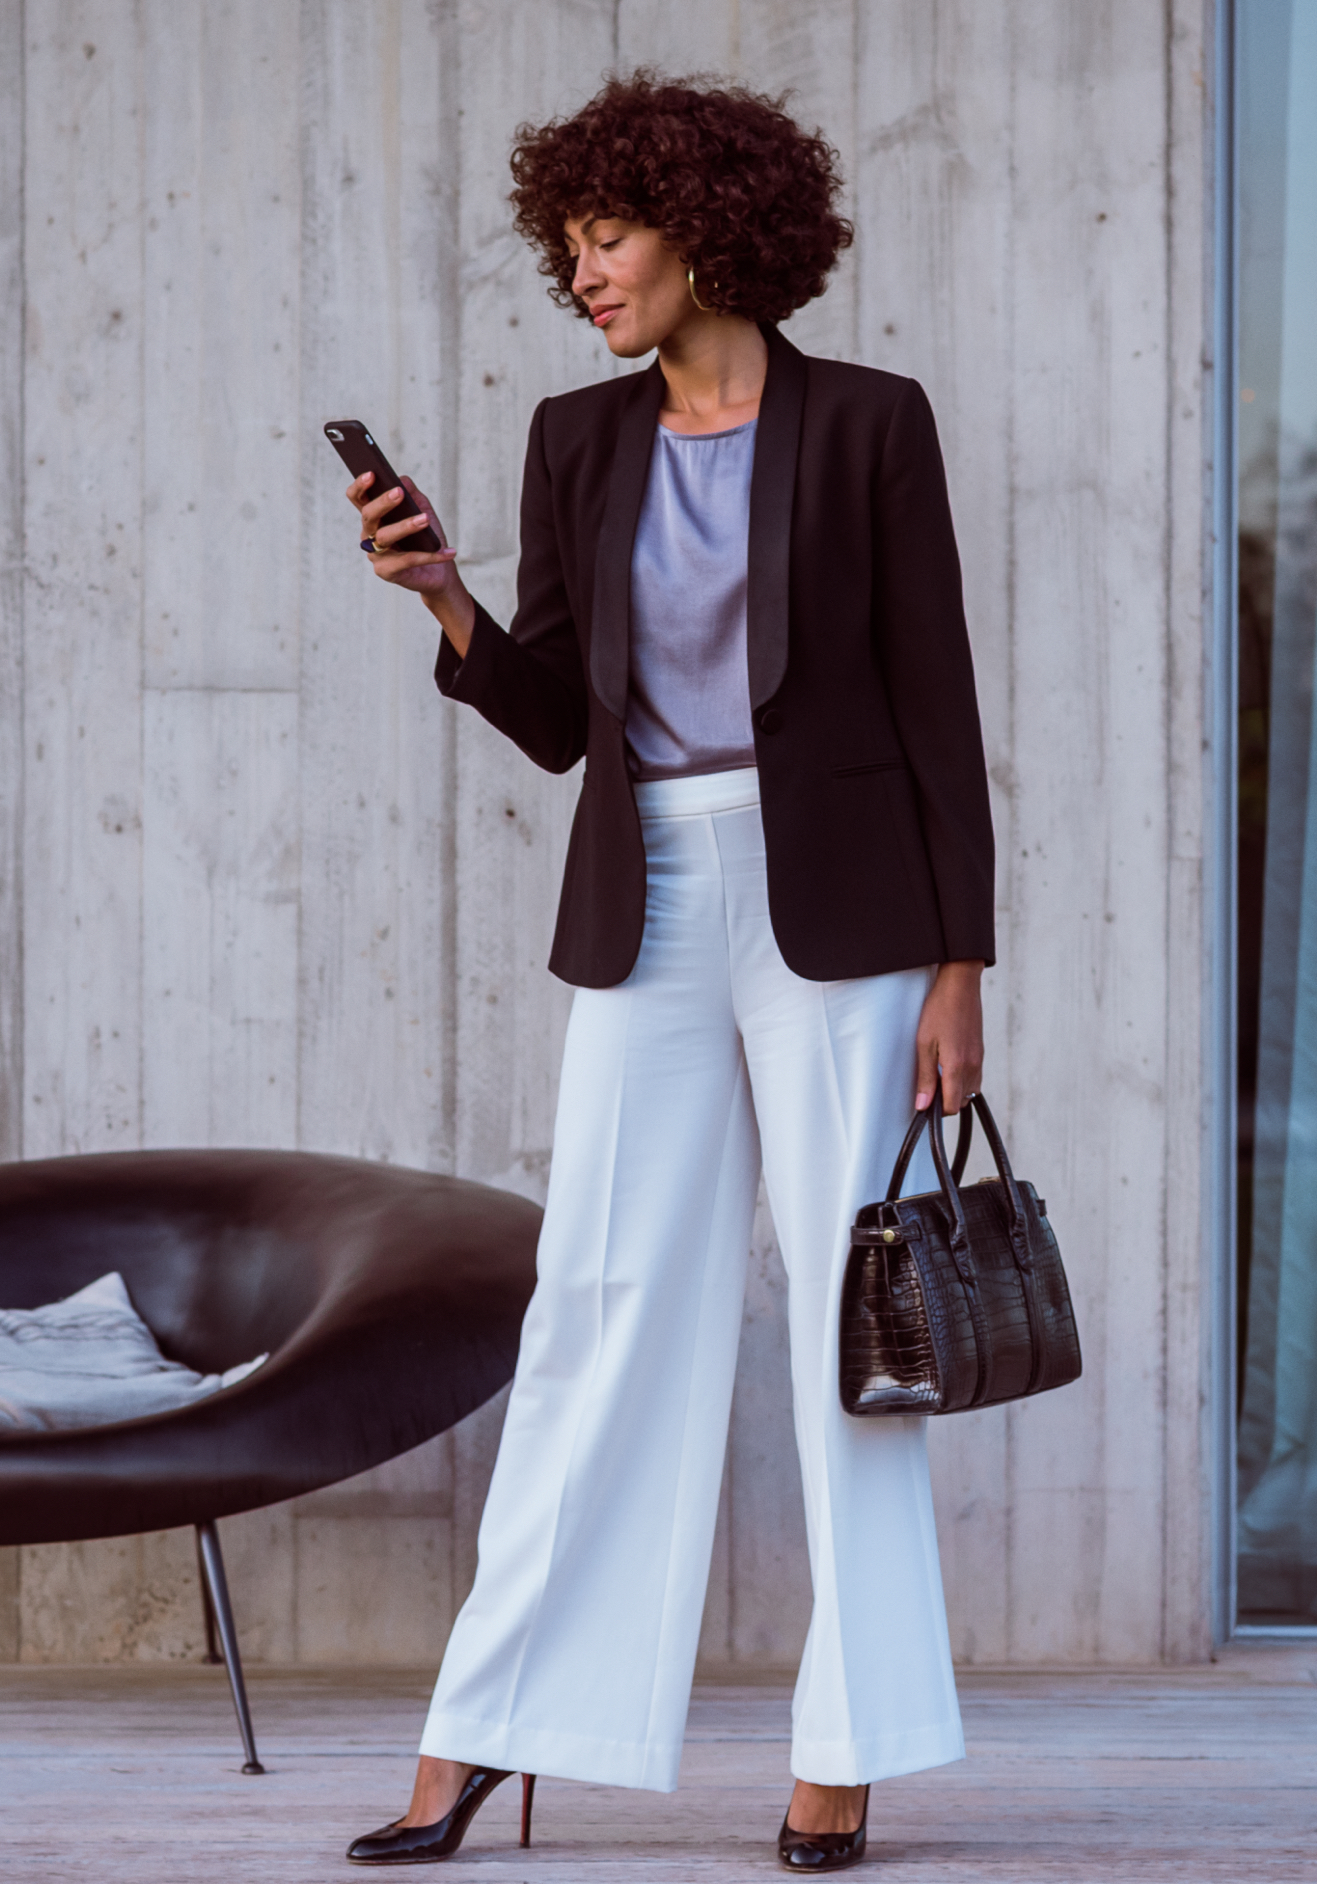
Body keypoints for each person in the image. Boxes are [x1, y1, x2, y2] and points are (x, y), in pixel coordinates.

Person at [339, 72, 993, 1874]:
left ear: (706, 228)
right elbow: (564, 718)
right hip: (651, 897)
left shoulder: (871, 425)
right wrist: (449, 604)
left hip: (848, 914)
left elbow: (938, 704)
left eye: (607, 236)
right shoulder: (578, 439)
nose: (584, 274)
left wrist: (962, 963)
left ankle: (848, 1745)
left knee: (859, 1333)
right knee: (600, 1304)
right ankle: (495, 1725)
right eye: (569, 247)